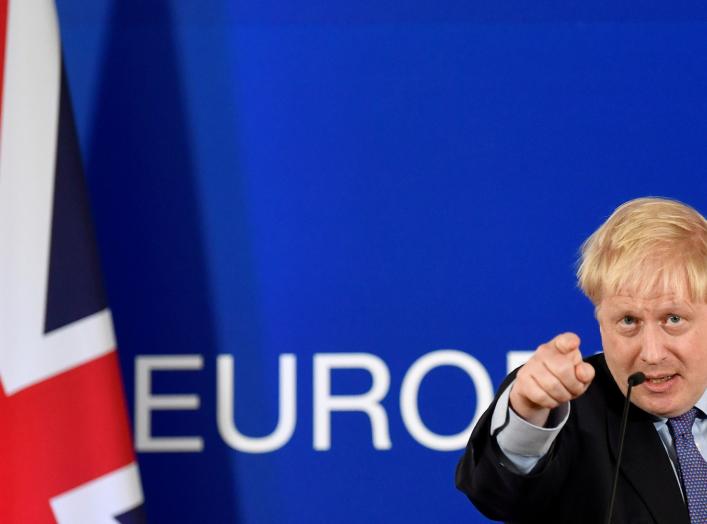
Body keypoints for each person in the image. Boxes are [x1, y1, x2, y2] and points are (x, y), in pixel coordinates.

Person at [456, 197, 707, 523]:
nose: (651, 353)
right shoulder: (570, 412)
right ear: (600, 321)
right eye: (628, 321)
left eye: (673, 319)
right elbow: (497, 493)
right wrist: (529, 413)